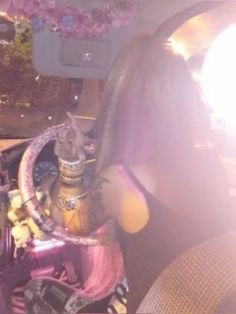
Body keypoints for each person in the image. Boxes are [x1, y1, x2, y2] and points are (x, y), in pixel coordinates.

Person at [30, 35, 235, 313]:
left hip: (161, 307)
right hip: (210, 303)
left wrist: (70, 168)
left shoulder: (122, 182)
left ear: (121, 101)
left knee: (39, 294)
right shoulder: (212, 163)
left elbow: (70, 219)